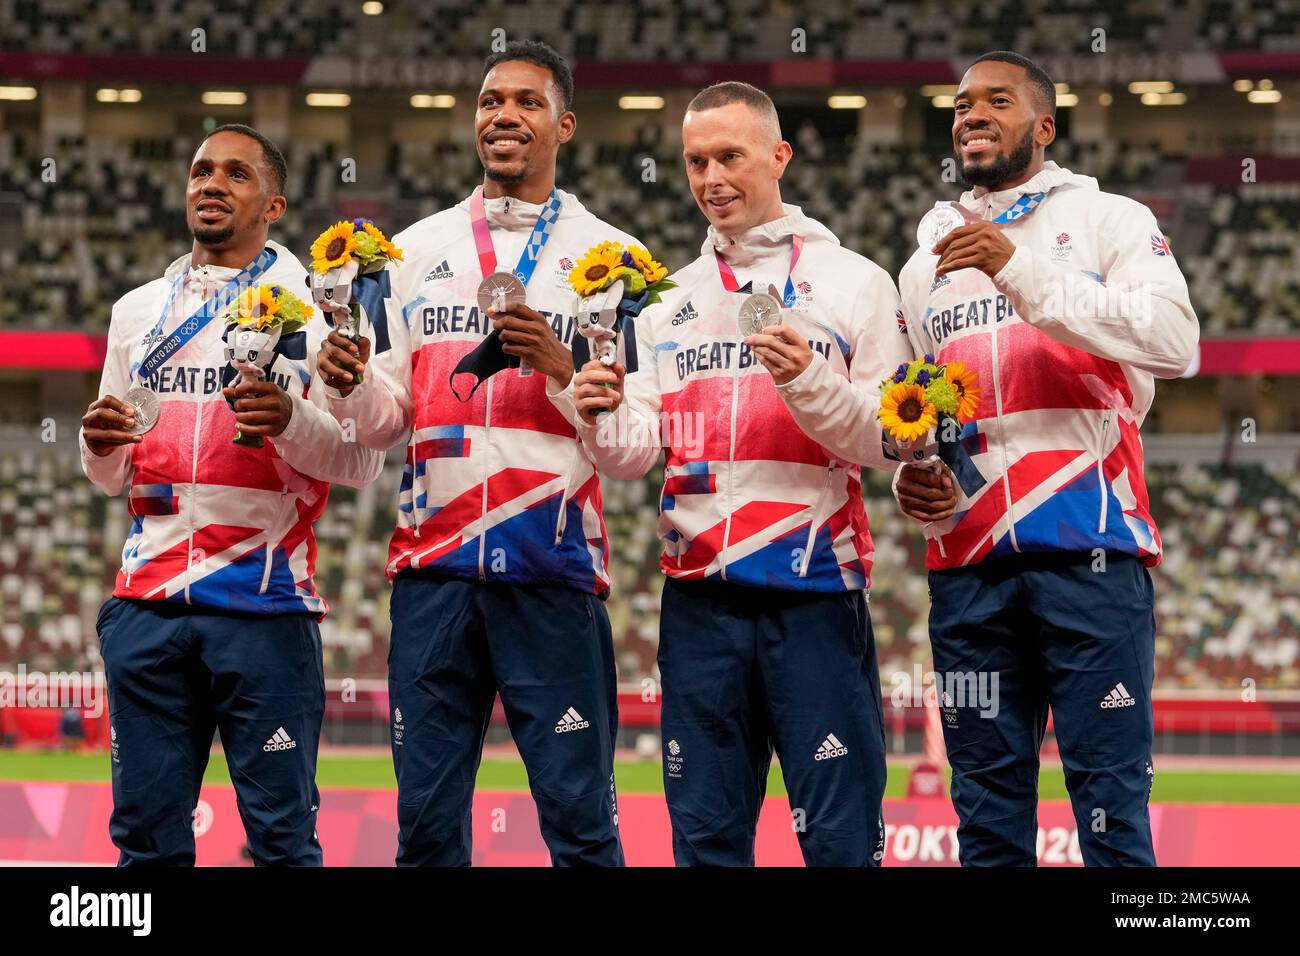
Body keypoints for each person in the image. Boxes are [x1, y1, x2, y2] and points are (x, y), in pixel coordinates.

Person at [566, 82, 910, 866]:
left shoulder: (856, 281)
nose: (711, 178)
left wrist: (809, 383)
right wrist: (595, 409)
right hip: (700, 607)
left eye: (730, 156)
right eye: (695, 162)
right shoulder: (665, 302)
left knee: (840, 843)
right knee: (705, 842)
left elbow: (889, 441)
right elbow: (629, 455)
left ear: (779, 156)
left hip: (815, 598)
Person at [316, 40, 641, 867]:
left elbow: (630, 439)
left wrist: (561, 366)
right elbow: (387, 418)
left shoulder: (615, 261)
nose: (504, 115)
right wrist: (350, 384)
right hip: (434, 580)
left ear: (564, 124)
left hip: (554, 574)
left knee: (582, 827)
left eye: (528, 102)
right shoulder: (410, 252)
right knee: (426, 831)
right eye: (491, 100)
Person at [894, 51, 1198, 866]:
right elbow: (917, 411)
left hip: (1092, 561)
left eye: (998, 100)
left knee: (1111, 809)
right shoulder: (924, 264)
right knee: (986, 820)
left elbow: (1177, 344)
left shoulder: (1111, 221)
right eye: (961, 105)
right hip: (965, 577)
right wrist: (909, 474)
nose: (973, 115)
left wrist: (1020, 270)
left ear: (1045, 125)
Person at [80, 124, 384, 866]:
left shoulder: (317, 311)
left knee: (280, 843)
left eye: (236, 175)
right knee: (146, 842)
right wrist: (96, 444)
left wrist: (290, 423)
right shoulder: (135, 311)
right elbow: (110, 473)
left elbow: (363, 462)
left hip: (263, 608)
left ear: (273, 203)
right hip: (147, 608)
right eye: (200, 171)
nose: (211, 184)